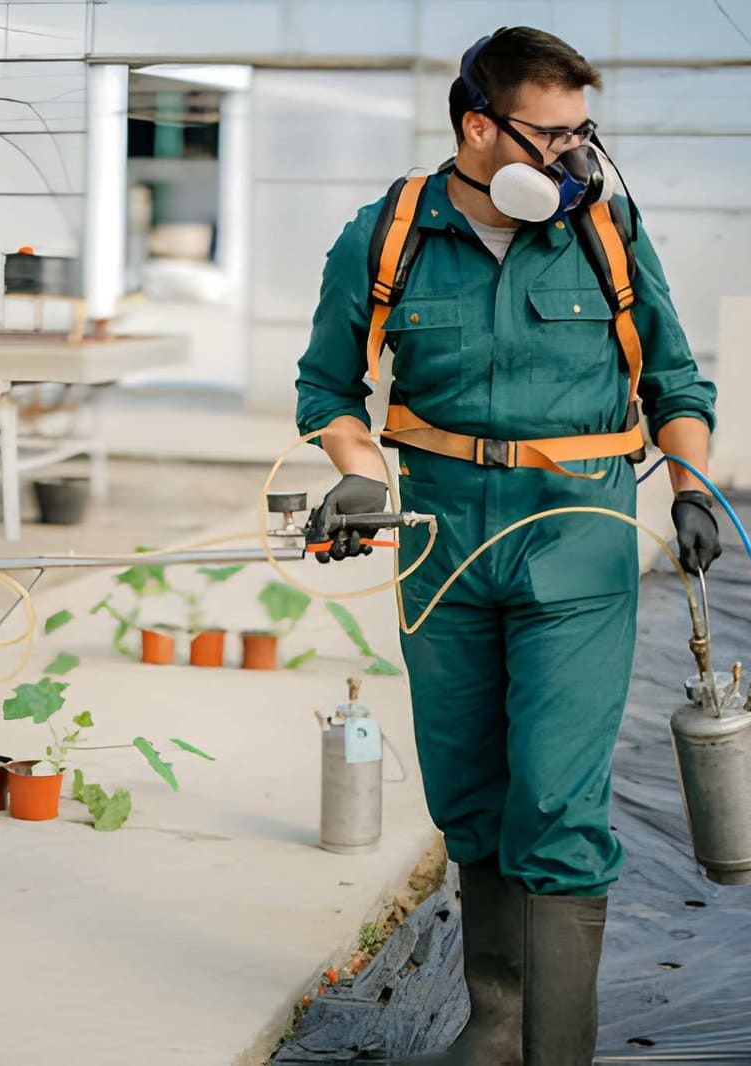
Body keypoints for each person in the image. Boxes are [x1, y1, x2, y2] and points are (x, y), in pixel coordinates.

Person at [294, 26, 721, 1066]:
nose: (576, 158)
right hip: (442, 546)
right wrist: (358, 471)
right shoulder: (386, 233)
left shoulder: (603, 230)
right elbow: (326, 386)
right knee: (470, 794)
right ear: (478, 126)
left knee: (553, 797)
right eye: (552, 135)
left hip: (574, 536)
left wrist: (691, 482)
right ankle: (496, 1027)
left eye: (585, 134)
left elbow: (674, 377)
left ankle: (558, 1048)